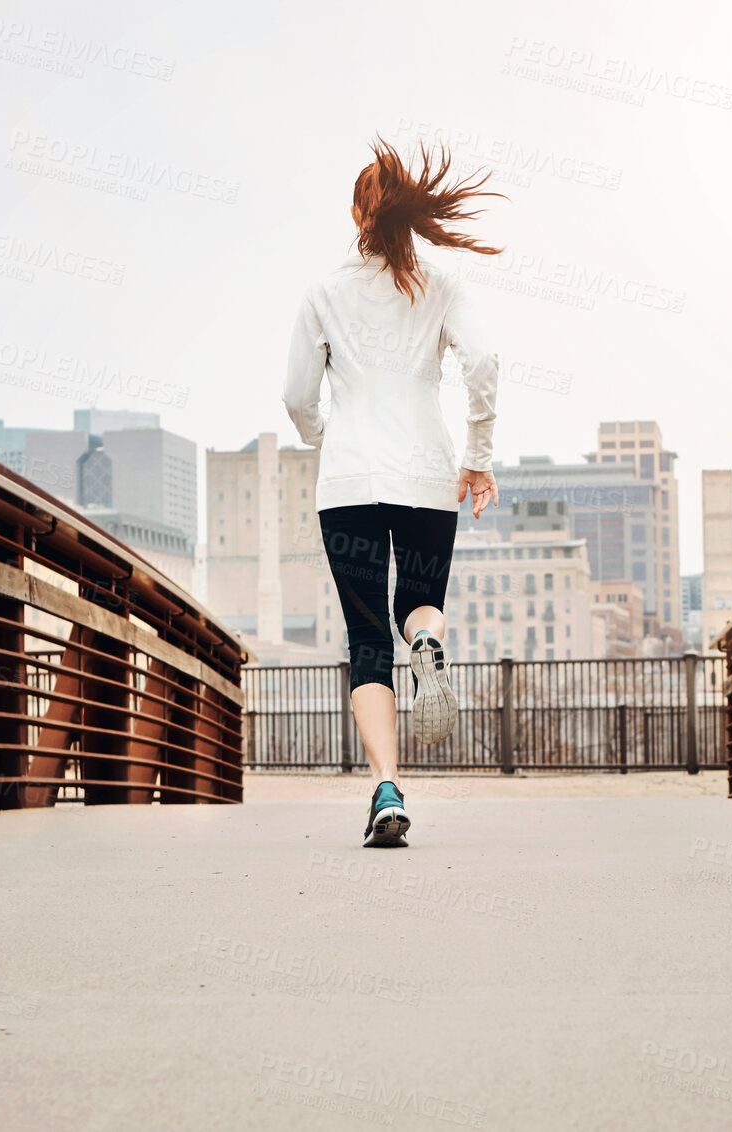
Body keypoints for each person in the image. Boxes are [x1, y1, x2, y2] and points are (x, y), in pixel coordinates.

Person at [283, 137, 503, 848]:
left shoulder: (322, 293)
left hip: (349, 482)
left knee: (366, 639)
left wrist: (326, 438)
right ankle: (430, 642)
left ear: (356, 212)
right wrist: (478, 457)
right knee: (418, 602)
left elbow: (296, 396)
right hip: (426, 476)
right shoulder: (441, 287)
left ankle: (385, 788)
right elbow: (483, 361)